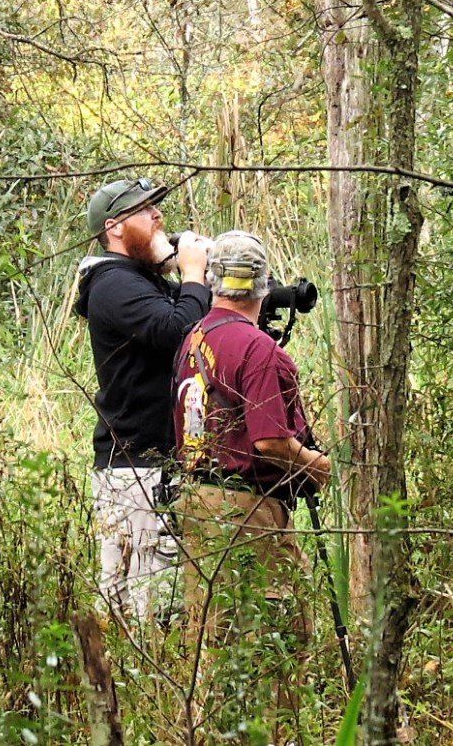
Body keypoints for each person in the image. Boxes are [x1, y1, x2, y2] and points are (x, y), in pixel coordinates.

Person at [170, 231, 330, 645]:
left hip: (197, 501)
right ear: (264, 285)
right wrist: (318, 466)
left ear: (212, 280)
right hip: (248, 511)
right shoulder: (259, 349)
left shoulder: (194, 337)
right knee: (274, 639)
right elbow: (270, 442)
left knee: (214, 634)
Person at [74, 177, 212, 622]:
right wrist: (193, 275)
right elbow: (178, 331)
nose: (158, 217)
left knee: (140, 605)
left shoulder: (140, 280)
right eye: (145, 210)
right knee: (146, 608)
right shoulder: (113, 282)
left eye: (157, 207)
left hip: (151, 466)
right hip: (138, 468)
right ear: (114, 227)